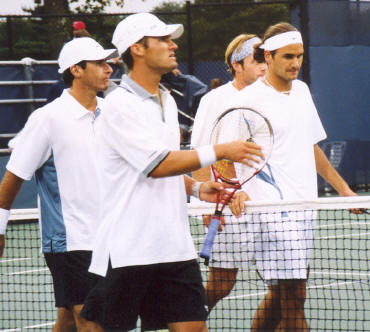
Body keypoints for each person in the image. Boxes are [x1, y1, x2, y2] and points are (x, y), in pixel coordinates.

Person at [79, 13, 263, 332]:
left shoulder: (166, 99)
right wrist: (220, 150)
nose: (172, 44)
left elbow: (163, 166)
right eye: (163, 39)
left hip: (174, 247)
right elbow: (156, 164)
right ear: (137, 49)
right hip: (127, 249)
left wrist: (194, 188)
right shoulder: (118, 106)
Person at [226, 22, 357, 331]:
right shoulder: (249, 99)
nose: (295, 63)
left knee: (283, 295)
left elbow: (310, 147)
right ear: (268, 56)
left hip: (304, 206)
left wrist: (344, 190)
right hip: (271, 210)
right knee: (295, 298)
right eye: (287, 56)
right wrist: (234, 189)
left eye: (299, 55)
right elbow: (225, 152)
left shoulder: (301, 91)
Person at [0, 37, 117, 332]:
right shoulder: (47, 119)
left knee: (68, 319)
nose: (109, 69)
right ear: (76, 70)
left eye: (108, 63)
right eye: (100, 64)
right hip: (70, 242)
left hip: (110, 238)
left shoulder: (111, 114)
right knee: (92, 323)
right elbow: (14, 176)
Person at [190, 33, 267, 312]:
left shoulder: (275, 96)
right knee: (222, 283)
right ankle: (186, 323)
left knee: (288, 287)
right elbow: (199, 152)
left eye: (266, 59)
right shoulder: (214, 100)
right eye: (256, 59)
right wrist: (203, 205)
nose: (263, 66)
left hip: (271, 203)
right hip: (229, 204)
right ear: (237, 64)